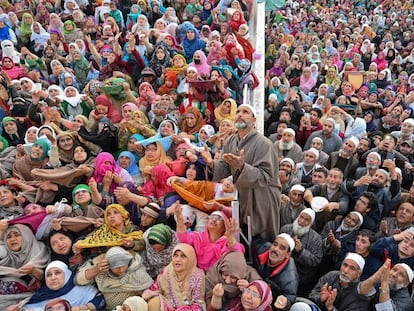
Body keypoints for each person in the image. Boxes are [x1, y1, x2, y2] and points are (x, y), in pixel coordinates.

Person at [201, 103, 282, 241]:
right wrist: (210, 163)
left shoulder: (264, 144)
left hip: (263, 197)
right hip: (243, 195)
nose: (240, 114)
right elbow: (225, 166)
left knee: (262, 241)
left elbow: (265, 177)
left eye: (245, 112)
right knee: (245, 235)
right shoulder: (231, 140)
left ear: (254, 120)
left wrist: (242, 167)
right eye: (238, 111)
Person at [75, 246, 153, 310]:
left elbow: (149, 292)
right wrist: (97, 269)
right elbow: (78, 280)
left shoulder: (137, 272)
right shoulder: (102, 274)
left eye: (123, 266)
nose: (121, 270)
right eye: (116, 267)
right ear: (109, 267)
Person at [175, 206, 244, 272]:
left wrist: (230, 236)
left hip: (219, 276)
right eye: (212, 217)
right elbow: (184, 238)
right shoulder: (198, 237)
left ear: (224, 226)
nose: (214, 220)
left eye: (219, 218)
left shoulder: (226, 241)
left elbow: (237, 254)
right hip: (198, 274)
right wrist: (180, 219)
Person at [142, 243, 206, 311]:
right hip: (168, 308)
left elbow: (199, 305)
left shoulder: (198, 275)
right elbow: (154, 289)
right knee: (154, 301)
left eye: (183, 256)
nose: (178, 259)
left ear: (190, 259)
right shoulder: (167, 271)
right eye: (175, 255)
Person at [18, 260, 105, 311]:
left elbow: (102, 300)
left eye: (58, 273)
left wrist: (85, 307)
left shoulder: (82, 289)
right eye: (48, 275)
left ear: (67, 274)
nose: (53, 278)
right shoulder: (38, 298)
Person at [0, 224, 50, 310]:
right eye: (8, 237)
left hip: (30, 303)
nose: (13, 239)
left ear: (26, 235)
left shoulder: (39, 252)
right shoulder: (4, 257)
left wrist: (33, 270)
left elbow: (47, 280)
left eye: (17, 235)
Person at [309, 253, 375, 311]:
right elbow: (312, 295)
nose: (346, 271)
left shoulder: (360, 294)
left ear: (359, 273)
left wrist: (331, 308)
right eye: (345, 265)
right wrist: (320, 299)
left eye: (352, 268)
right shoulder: (331, 276)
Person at [280, 209, 323, 295]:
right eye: (301, 217)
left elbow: (316, 260)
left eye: (306, 220)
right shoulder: (286, 229)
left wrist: (301, 252)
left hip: (301, 277)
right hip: (281, 272)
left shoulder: (316, 238)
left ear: (311, 224)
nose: (302, 221)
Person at [252, 233, 299, 311]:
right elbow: (254, 241)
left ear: (288, 254)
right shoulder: (262, 248)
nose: (275, 249)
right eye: (275, 244)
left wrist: (285, 302)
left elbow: (290, 296)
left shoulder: (290, 278)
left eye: (282, 248)